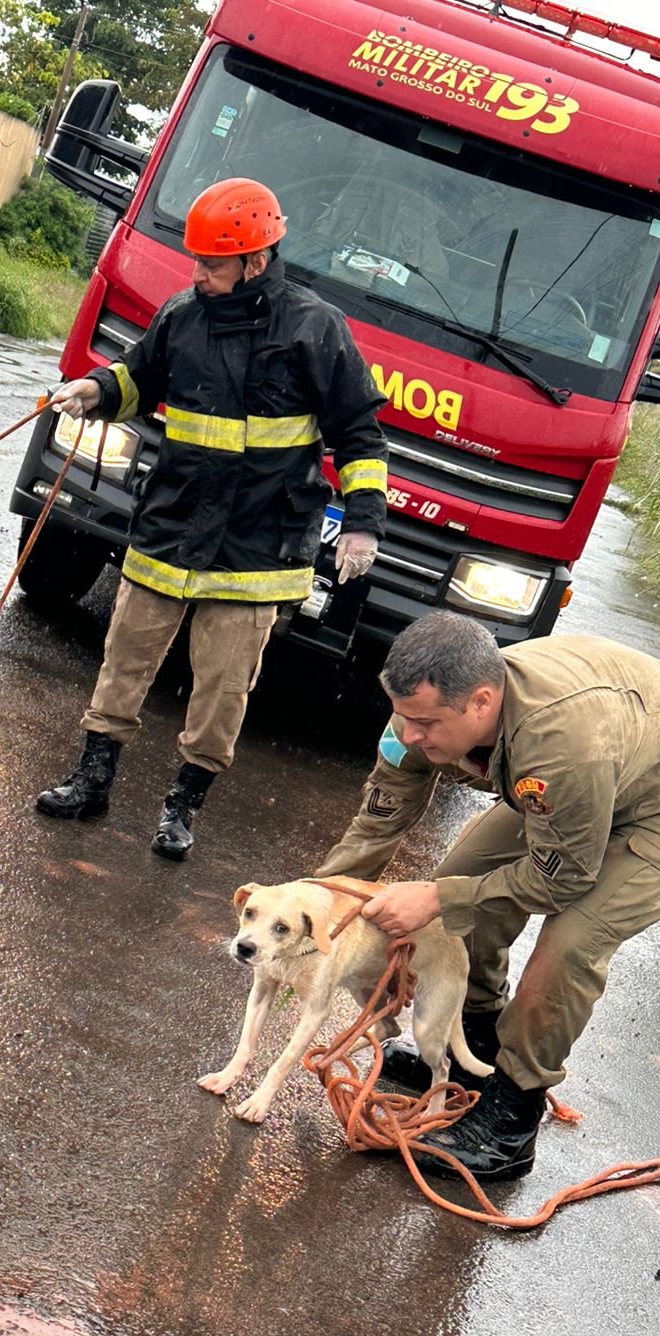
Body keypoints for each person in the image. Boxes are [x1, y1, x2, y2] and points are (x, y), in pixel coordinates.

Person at [36, 177, 389, 860]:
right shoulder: (183, 313)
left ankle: (182, 807)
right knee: (123, 666)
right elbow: (142, 376)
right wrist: (96, 390)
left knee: (223, 693)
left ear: (255, 261)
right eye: (196, 260)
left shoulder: (315, 329)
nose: (196, 273)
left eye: (211, 263)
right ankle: (91, 780)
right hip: (170, 529)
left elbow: (359, 434)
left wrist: (364, 523)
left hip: (258, 549)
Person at [317, 612, 660, 1181]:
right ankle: (473, 1052)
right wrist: (314, 906)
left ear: (480, 702)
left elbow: (564, 880)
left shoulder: (558, 748)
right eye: (403, 717)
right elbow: (376, 826)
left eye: (424, 723)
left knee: (570, 945)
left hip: (649, 809)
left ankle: (511, 1118)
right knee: (460, 893)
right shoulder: (419, 712)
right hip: (596, 780)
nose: (409, 736)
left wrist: (433, 899)